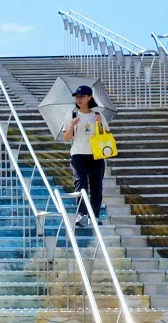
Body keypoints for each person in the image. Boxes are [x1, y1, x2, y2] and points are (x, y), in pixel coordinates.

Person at [61, 85, 109, 227]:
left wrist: (99, 124)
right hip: (78, 154)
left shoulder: (98, 116)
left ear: (89, 97)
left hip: (96, 155)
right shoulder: (72, 115)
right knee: (80, 185)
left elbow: (105, 137)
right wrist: (72, 125)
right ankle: (81, 215)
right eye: (77, 97)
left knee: (96, 187)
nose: (79, 99)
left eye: (82, 96)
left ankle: (94, 216)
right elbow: (66, 138)